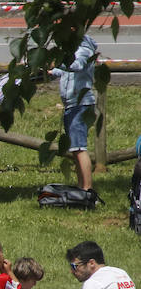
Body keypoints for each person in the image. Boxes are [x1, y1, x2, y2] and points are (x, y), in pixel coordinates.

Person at [50, 29, 99, 194]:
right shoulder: (71, 49)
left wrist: (57, 62)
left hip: (81, 104)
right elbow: (65, 71)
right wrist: (51, 71)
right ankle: (81, 187)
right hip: (71, 104)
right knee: (74, 148)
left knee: (79, 148)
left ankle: (87, 189)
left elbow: (76, 66)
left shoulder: (84, 47)